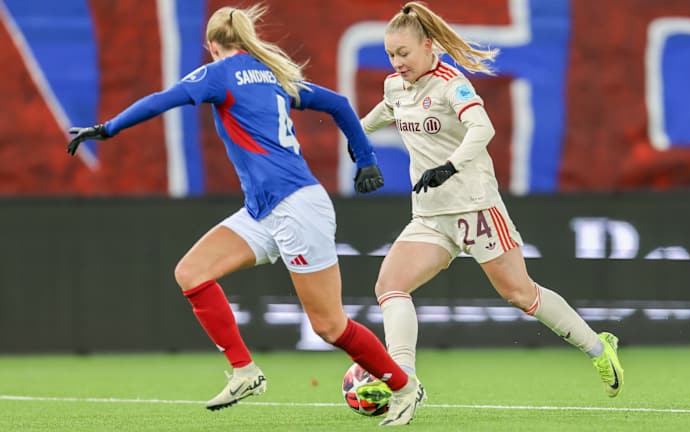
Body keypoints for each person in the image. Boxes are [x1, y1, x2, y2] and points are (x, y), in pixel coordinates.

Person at [67, 4, 423, 426]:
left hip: (295, 208)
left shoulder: (221, 71)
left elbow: (162, 100)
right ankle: (244, 371)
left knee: (330, 325)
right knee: (192, 273)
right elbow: (341, 104)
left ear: (212, 46)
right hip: (264, 210)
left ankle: (403, 387)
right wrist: (364, 158)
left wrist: (107, 128)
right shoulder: (273, 73)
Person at [360, 1, 624, 400]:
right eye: (390, 55)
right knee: (390, 285)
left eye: (403, 53)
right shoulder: (396, 86)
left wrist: (449, 166)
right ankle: (404, 381)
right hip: (431, 216)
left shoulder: (451, 84)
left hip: (475, 208)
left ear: (428, 46)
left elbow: (483, 128)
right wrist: (355, 136)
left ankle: (598, 347)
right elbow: (386, 110)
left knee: (520, 294)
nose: (396, 62)